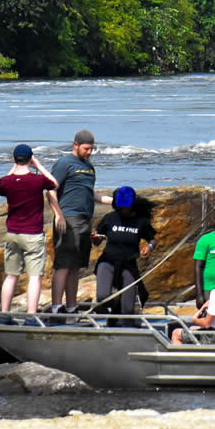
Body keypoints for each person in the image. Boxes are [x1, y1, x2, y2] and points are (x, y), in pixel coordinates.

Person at [0, 144, 59, 317]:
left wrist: (13, 167)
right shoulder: (37, 180)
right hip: (32, 234)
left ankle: (5, 314)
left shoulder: (6, 182)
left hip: (13, 234)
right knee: (34, 277)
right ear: (30, 159)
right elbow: (54, 183)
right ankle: (31, 316)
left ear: (14, 159)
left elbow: (1, 186)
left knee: (11, 276)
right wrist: (38, 165)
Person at [48, 129, 99, 313]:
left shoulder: (89, 167)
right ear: (76, 145)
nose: (89, 152)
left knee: (76, 266)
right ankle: (56, 307)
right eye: (86, 148)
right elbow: (51, 190)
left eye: (92, 149)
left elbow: (89, 192)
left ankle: (71, 307)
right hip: (68, 218)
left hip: (85, 220)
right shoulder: (64, 163)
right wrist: (58, 215)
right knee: (63, 264)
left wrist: (113, 200)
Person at [90, 185, 154, 316]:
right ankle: (114, 306)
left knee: (127, 310)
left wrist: (150, 247)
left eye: (126, 206)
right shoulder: (109, 218)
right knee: (102, 297)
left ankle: (124, 318)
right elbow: (98, 241)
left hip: (128, 264)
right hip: (107, 262)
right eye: (120, 206)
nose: (123, 209)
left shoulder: (141, 221)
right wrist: (95, 238)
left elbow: (153, 238)